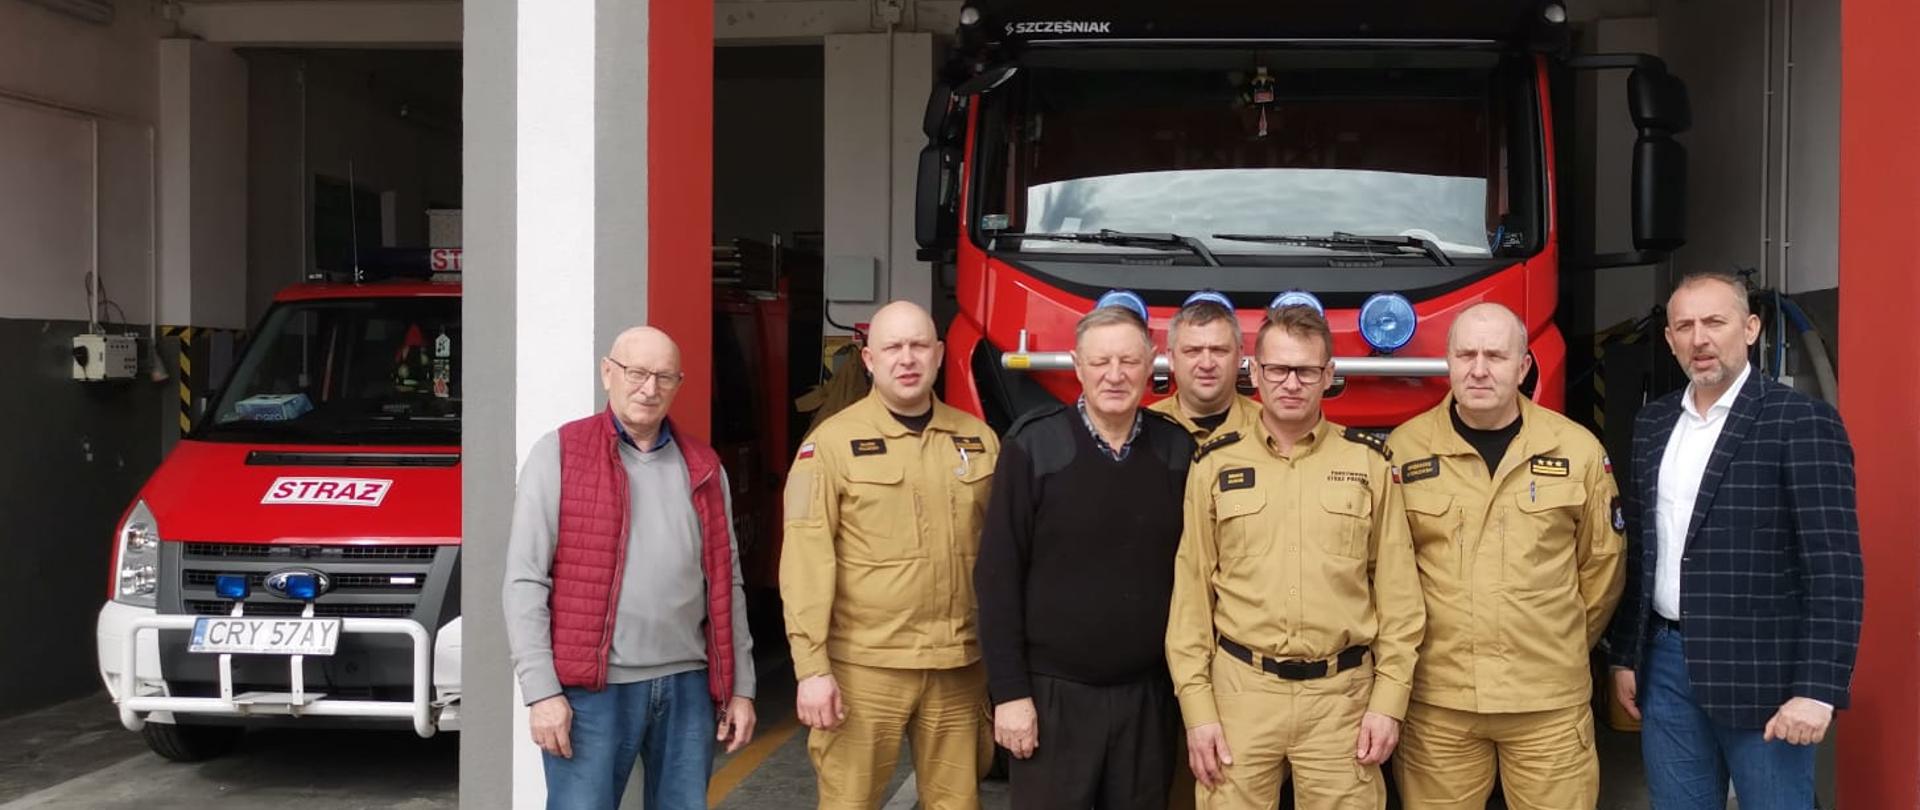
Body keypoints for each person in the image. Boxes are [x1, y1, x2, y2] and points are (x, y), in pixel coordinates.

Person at [1605, 272, 1863, 809]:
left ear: (1749, 328)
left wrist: (1816, 690)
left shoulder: (1800, 422)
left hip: (1766, 676)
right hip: (1666, 666)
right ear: (1670, 340)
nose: (1700, 338)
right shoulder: (1653, 425)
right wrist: (1626, 655)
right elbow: (1645, 551)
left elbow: (1835, 567)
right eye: (1685, 326)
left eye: (1714, 322)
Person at [1166, 304, 1425, 810]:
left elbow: (1399, 598)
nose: (1291, 383)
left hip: (1342, 702)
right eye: (1278, 369)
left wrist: (1388, 705)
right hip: (1242, 695)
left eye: (1306, 370)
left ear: (1329, 376)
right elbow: (1191, 599)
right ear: (1254, 374)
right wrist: (1198, 712)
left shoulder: (1368, 463)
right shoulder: (1214, 463)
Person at [502, 326, 757, 810]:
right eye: (636, 372)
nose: (649, 388)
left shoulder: (703, 467)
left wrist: (740, 689)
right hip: (591, 694)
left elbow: (728, 585)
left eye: (664, 376)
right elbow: (525, 580)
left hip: (688, 688)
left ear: (678, 384)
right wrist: (541, 693)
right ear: (607, 373)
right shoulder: (559, 453)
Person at [1384, 302, 1624, 809]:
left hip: (1547, 706)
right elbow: (1386, 572)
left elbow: (1602, 566)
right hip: (1438, 703)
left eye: (1495, 355)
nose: (1478, 369)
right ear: (1447, 361)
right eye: (1465, 354)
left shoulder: (1576, 449)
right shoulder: (1404, 451)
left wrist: (1555, 644)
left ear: (1523, 366)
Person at [975, 292, 1197, 810]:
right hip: (1053, 699)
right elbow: (998, 578)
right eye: (1100, 362)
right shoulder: (1033, 447)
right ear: (1078, 366)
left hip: (1148, 700)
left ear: (1151, 367)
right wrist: (1009, 694)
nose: (1114, 375)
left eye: (1128, 361)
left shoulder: (1176, 452)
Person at [781, 300, 1000, 810]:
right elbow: (805, 564)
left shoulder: (979, 441)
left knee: (958, 803)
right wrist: (811, 669)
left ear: (940, 354)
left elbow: (1005, 557)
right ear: (869, 360)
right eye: (893, 347)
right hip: (865, 668)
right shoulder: (829, 446)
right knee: (849, 802)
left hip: (959, 666)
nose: (908, 359)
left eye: (919, 345)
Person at [1150, 290, 1261, 443]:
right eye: (1193, 351)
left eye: (1219, 350)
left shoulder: (1270, 428)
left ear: (1240, 355)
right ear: (1171, 357)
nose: (1207, 364)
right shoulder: (1142, 432)